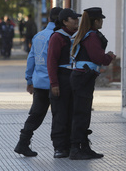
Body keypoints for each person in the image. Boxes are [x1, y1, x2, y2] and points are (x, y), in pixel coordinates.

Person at [14, 7, 62, 157]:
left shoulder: (38, 36)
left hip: (39, 82)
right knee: (59, 116)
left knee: (35, 115)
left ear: (49, 19)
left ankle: (22, 143)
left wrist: (29, 80)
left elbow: (31, 59)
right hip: (55, 84)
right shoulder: (59, 37)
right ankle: (59, 148)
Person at [69, 7, 116, 160]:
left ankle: (84, 146)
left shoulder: (84, 34)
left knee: (83, 113)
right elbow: (98, 58)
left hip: (81, 77)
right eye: (100, 19)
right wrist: (109, 57)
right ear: (96, 21)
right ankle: (76, 149)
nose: (102, 22)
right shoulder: (92, 36)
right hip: (83, 78)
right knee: (81, 114)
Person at [47, 8, 81, 159]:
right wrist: (54, 83)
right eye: (73, 19)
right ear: (65, 21)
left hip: (75, 77)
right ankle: (59, 147)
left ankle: (72, 144)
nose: (77, 21)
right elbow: (51, 62)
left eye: (77, 19)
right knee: (60, 113)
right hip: (62, 78)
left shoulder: (78, 36)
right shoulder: (57, 37)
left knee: (74, 112)